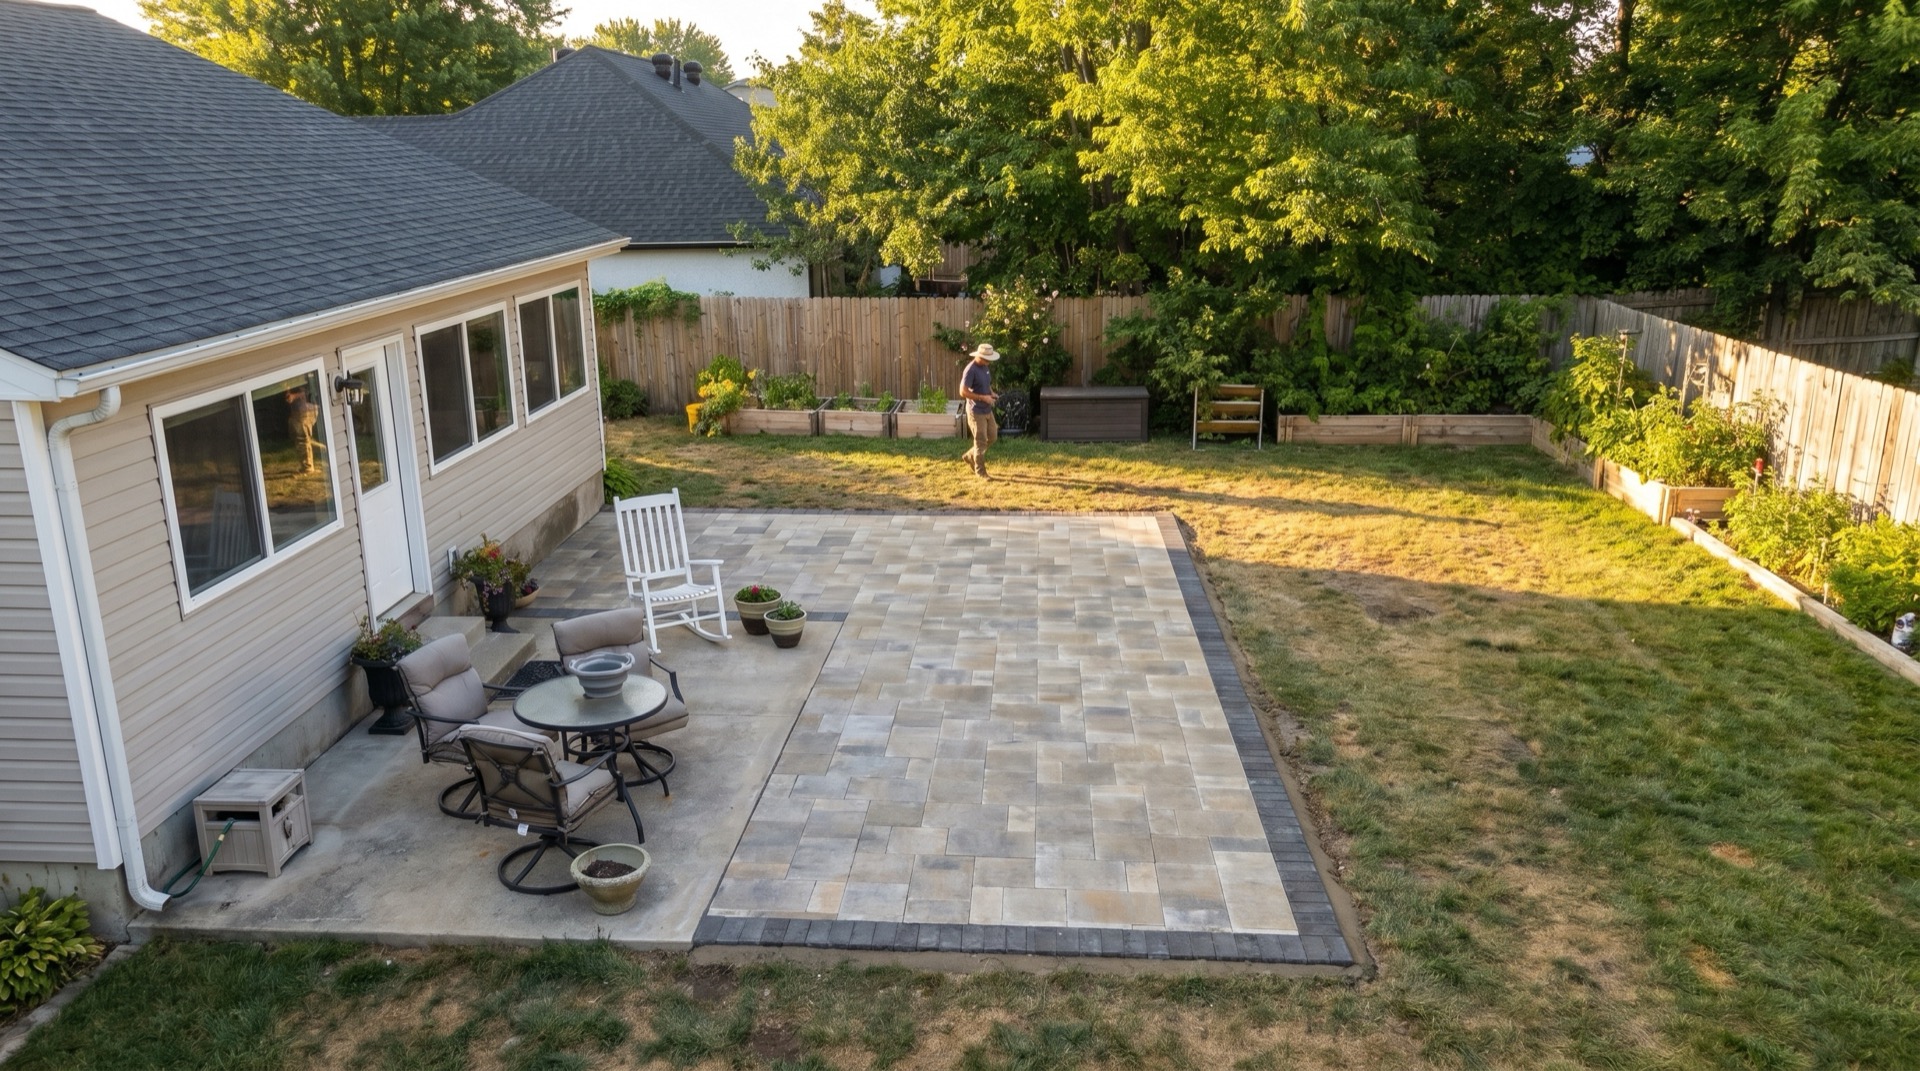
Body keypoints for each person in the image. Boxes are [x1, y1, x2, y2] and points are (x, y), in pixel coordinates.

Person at [959, 343, 1000, 478]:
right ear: (980, 356)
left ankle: (971, 455)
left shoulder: (985, 367)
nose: (989, 362)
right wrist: (983, 398)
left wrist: (991, 393)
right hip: (976, 411)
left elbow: (986, 384)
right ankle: (980, 472)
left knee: (993, 436)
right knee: (980, 441)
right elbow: (963, 391)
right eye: (987, 359)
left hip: (987, 408)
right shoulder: (970, 370)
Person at [286, 385, 320, 472]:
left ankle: (308, 467)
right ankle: (307, 465)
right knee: (303, 439)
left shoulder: (299, 381)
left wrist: (294, 396)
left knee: (302, 439)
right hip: (303, 410)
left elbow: (306, 391)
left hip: (304, 410)